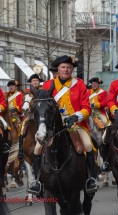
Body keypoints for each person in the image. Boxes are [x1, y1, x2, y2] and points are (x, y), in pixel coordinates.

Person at [29, 55, 98, 194]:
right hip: (53, 126)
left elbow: (86, 107)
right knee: (37, 149)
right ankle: (37, 182)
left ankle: (91, 179)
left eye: (68, 67)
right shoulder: (48, 85)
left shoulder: (79, 84)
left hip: (76, 124)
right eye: (63, 67)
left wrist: (76, 116)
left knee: (89, 145)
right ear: (58, 69)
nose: (66, 70)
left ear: (72, 69)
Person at [17, 74, 44, 159]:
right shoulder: (27, 92)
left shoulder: (42, 91)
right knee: (22, 129)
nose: (35, 82)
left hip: (40, 116)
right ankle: (20, 150)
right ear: (31, 82)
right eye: (33, 81)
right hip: (30, 116)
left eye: (36, 81)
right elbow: (23, 104)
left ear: (39, 82)